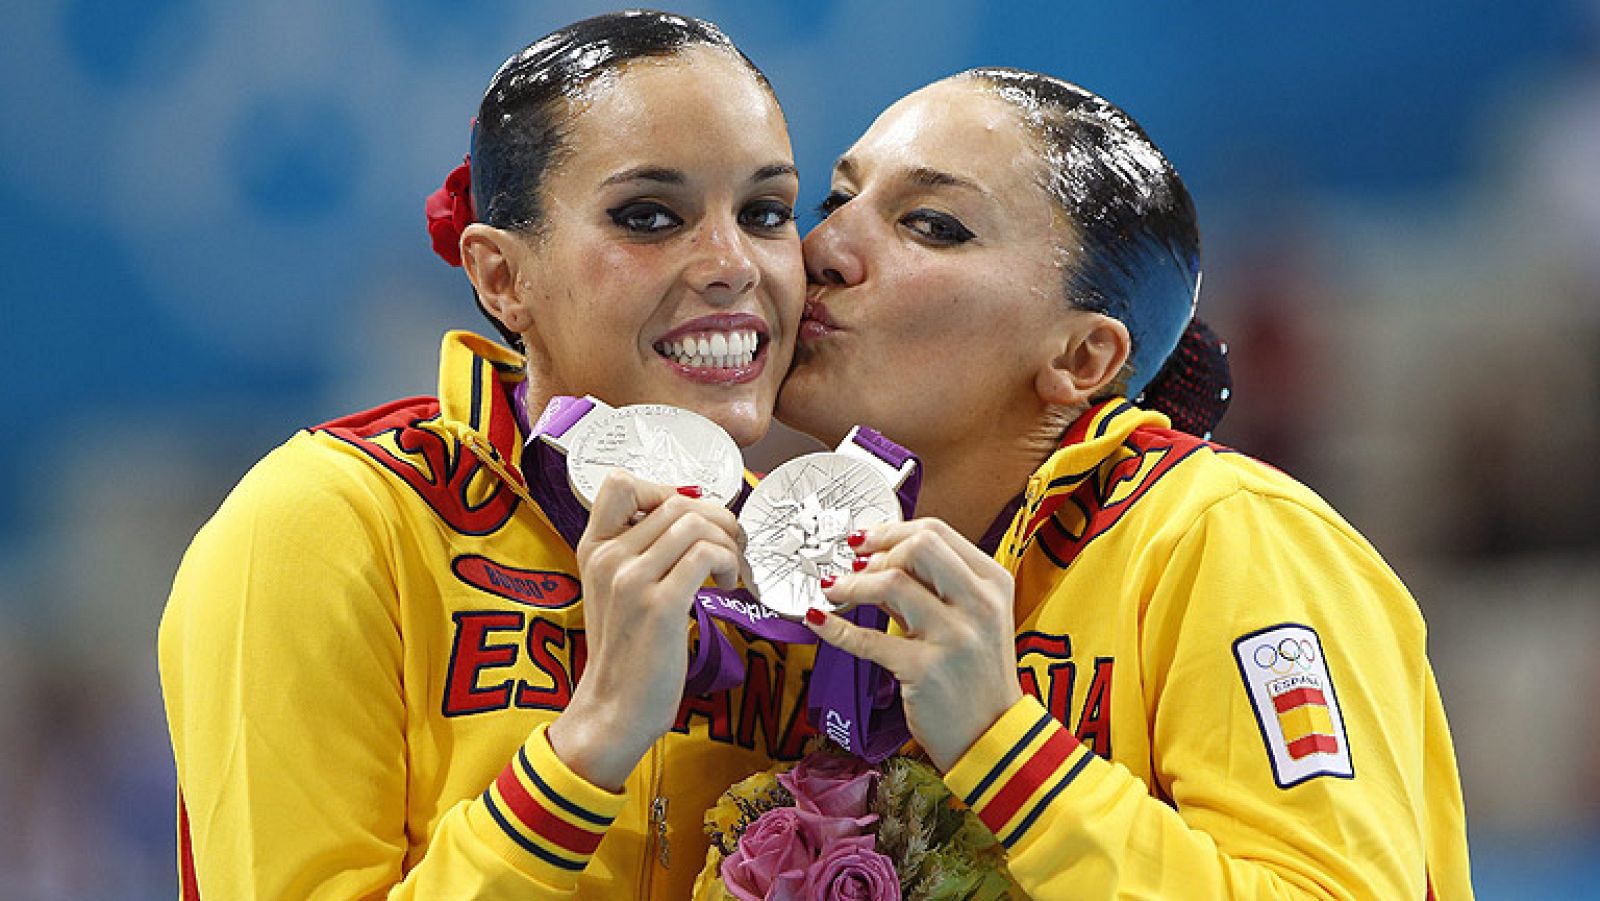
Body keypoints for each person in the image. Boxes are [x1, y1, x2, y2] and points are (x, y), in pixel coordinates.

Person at [159, 11, 815, 898]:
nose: (734, 262)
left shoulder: (802, 563)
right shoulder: (330, 523)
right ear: (502, 276)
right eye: (650, 216)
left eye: (766, 211)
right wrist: (591, 741)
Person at [781, 68, 1473, 898]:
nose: (820, 250)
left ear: (1082, 359)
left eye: (930, 225)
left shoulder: (1228, 537)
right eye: (834, 202)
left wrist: (1005, 747)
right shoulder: (815, 565)